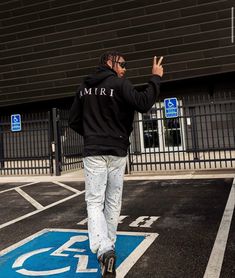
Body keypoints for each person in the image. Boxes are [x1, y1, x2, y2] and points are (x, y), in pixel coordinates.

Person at [68, 50, 163, 277]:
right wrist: (155, 77)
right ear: (109, 62)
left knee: (94, 202)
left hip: (94, 153)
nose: (124, 68)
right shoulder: (120, 85)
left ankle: (104, 249)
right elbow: (143, 103)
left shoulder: (84, 89)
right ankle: (108, 245)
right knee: (112, 201)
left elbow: (73, 121)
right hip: (117, 152)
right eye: (122, 64)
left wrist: (92, 134)